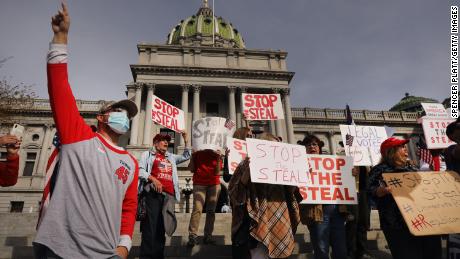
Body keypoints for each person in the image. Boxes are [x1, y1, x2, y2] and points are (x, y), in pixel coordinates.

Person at [33, 4, 139, 258]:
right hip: (61, 250)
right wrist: (60, 39)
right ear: (101, 117)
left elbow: (129, 208)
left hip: (106, 254)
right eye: (117, 110)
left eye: (127, 113)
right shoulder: (78, 137)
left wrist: (124, 246)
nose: (123, 116)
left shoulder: (131, 163)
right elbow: (59, 88)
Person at [228, 132, 302, 259]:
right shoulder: (245, 164)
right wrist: (246, 175)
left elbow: (291, 194)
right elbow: (235, 194)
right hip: (254, 222)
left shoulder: (285, 167)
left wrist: (299, 178)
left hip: (279, 220)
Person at [368, 137, 442, 259]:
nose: (406, 149)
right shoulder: (379, 170)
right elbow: (369, 191)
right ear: (390, 152)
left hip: (422, 222)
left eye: (405, 147)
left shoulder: (412, 169)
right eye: (401, 147)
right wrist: (379, 191)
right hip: (396, 226)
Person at [138, 132, 191, 259]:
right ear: (155, 144)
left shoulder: (171, 157)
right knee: (150, 227)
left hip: (169, 197)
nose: (167, 142)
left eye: (167, 140)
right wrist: (153, 179)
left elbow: (186, 155)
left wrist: (186, 141)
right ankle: (146, 256)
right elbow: (139, 170)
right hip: (153, 194)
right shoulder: (148, 155)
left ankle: (158, 256)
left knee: (162, 228)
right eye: (163, 140)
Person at [299, 134, 348, 259]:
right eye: (308, 144)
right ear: (304, 148)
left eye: (315, 144)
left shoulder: (331, 164)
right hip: (317, 213)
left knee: (341, 249)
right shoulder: (300, 165)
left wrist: (350, 173)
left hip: (337, 211)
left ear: (319, 148)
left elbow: (344, 182)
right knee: (321, 249)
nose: (312, 146)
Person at [187, 148, 224, 246]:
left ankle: (208, 236)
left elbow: (217, 172)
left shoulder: (217, 152)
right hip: (199, 183)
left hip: (214, 183)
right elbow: (191, 169)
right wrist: (192, 155)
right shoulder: (197, 151)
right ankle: (192, 236)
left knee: (211, 211)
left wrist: (218, 157)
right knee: (197, 209)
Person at [345, 166, 374, 259]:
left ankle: (362, 251)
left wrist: (370, 168)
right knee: (352, 221)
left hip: (364, 187)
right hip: (349, 188)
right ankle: (350, 251)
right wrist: (346, 170)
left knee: (363, 221)